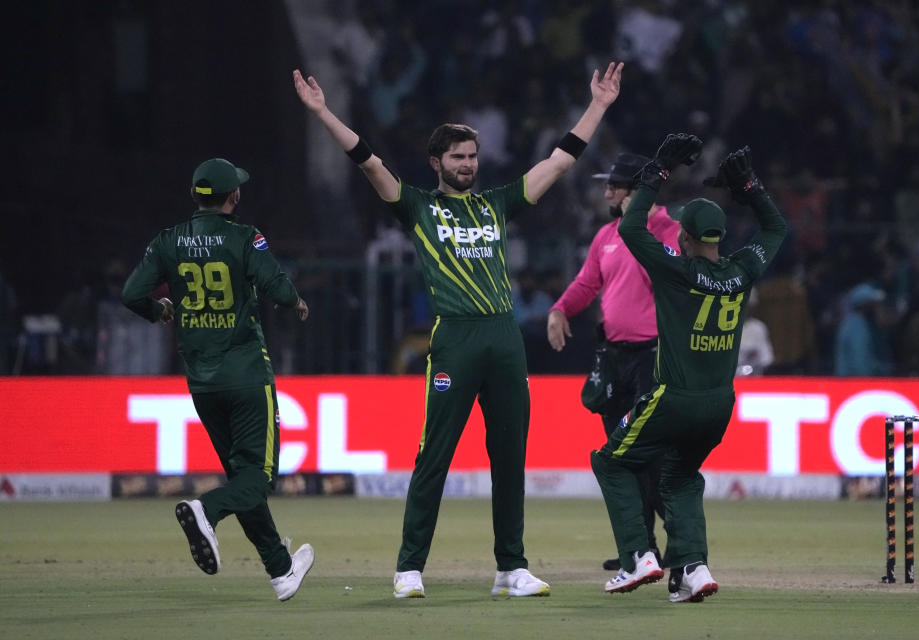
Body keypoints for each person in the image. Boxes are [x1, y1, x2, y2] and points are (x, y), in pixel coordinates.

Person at [293, 60, 624, 599]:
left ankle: (511, 568)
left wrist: (599, 106)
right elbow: (368, 161)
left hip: (504, 339)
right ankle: (409, 568)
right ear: (436, 162)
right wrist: (324, 112)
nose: (468, 164)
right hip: (455, 340)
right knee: (435, 455)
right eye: (458, 157)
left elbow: (560, 162)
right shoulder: (417, 208)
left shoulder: (497, 204)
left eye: (472, 156)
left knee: (510, 457)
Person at [591, 137, 787, 602]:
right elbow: (775, 229)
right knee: (678, 477)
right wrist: (751, 187)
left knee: (610, 461)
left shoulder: (675, 270)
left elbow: (632, 228)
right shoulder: (743, 271)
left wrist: (658, 170)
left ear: (683, 237)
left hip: (673, 398)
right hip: (720, 404)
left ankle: (638, 557)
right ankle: (694, 569)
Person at [120, 158, 314, 601]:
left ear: (194, 196)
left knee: (241, 478)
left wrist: (159, 310)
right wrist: (296, 301)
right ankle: (204, 510)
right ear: (235, 197)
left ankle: (280, 569)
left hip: (202, 381)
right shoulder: (245, 236)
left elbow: (131, 294)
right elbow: (277, 287)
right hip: (246, 375)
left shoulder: (168, 241)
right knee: (259, 479)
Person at [546, 152, 678, 571]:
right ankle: (639, 548)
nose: (606, 193)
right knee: (622, 454)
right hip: (615, 358)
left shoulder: (670, 234)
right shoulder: (608, 234)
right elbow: (589, 282)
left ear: (638, 191)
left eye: (614, 187)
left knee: (651, 455)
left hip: (654, 357)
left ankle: (681, 542)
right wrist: (561, 309)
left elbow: (677, 281)